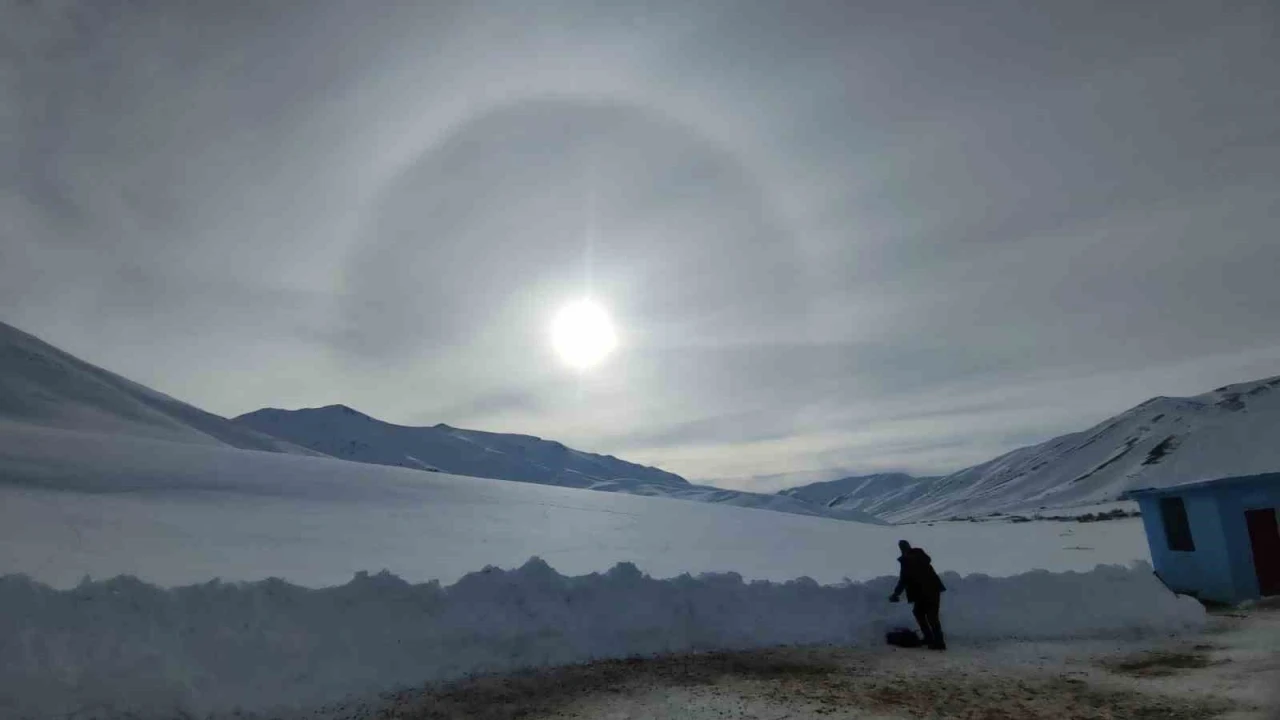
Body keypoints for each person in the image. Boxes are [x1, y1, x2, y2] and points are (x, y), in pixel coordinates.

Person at [889, 540, 946, 650]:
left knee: (928, 616)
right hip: (931, 590)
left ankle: (938, 642)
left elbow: (903, 580)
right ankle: (931, 638)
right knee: (926, 615)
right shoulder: (920, 555)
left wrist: (896, 594)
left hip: (924, 592)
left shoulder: (907, 560)